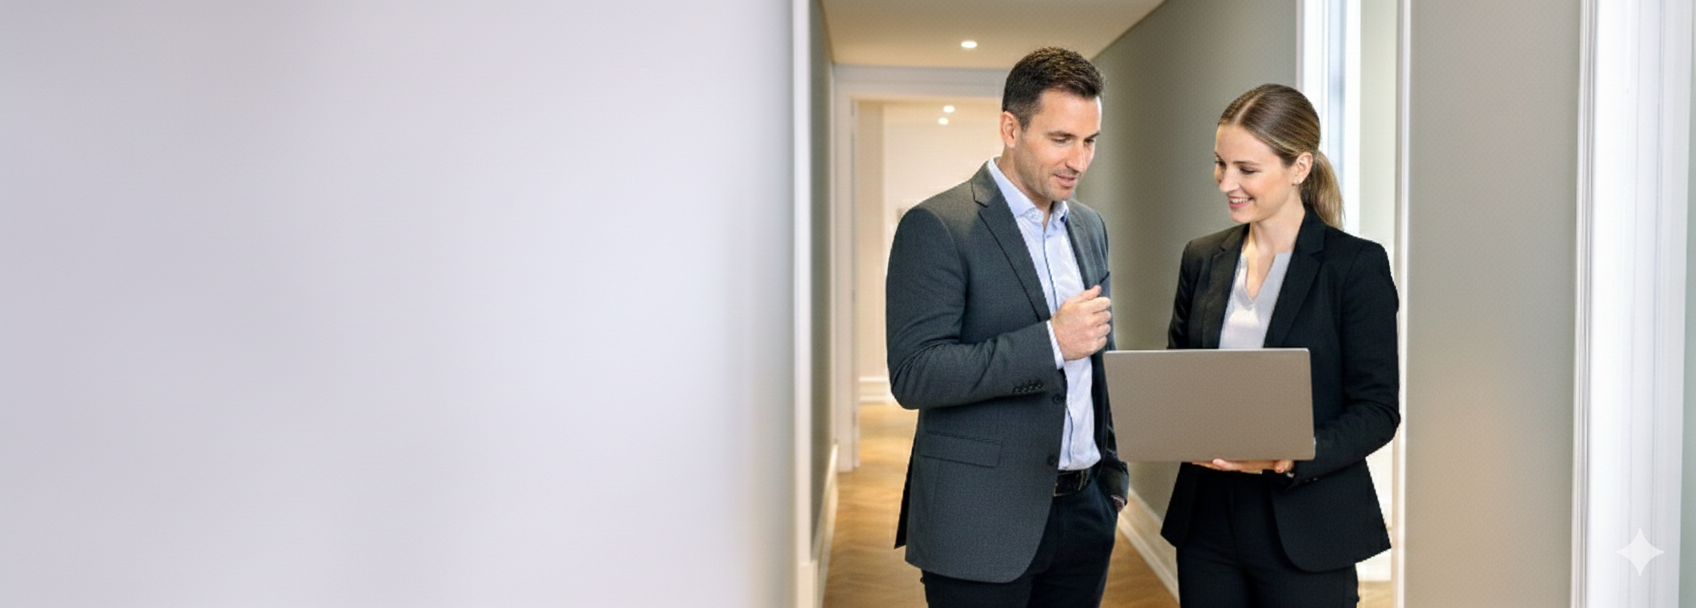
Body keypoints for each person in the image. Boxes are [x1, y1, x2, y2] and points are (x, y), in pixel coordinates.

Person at [884, 47, 1129, 608]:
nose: (1078, 160)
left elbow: (1099, 354)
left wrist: (1112, 477)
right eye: (1061, 139)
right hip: (978, 521)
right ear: (1010, 128)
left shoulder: (1089, 227)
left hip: (1086, 513)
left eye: (1090, 141)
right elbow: (916, 374)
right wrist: (1049, 341)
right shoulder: (938, 226)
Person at [1160, 83, 1400, 607]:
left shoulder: (1354, 267)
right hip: (1207, 525)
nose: (1227, 183)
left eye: (1247, 170)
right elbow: (1180, 380)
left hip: (1309, 525)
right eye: (1221, 165)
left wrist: (1285, 457)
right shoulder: (1201, 258)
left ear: (1299, 167)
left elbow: (1378, 410)